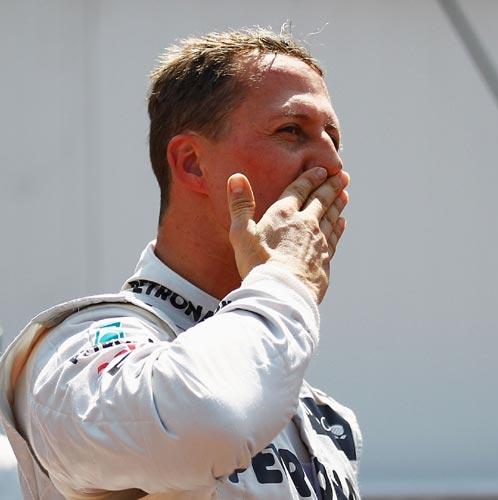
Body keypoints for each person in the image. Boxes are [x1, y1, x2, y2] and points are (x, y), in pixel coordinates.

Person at [0, 28, 362, 499]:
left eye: (333, 138)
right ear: (192, 163)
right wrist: (286, 278)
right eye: (291, 131)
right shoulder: (74, 351)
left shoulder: (325, 419)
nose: (331, 165)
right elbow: (207, 418)